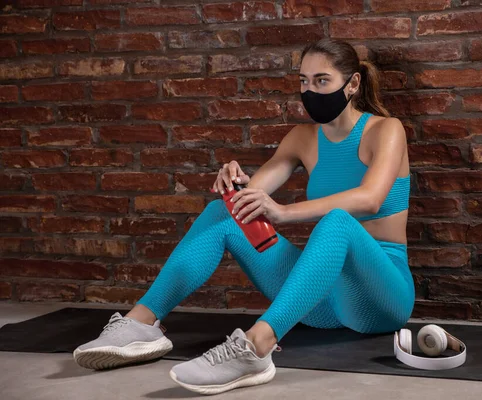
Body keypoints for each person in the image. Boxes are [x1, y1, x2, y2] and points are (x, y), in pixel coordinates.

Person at [73, 38, 414, 395]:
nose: (310, 90)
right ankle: (142, 324)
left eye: (322, 80)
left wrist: (283, 212)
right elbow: (255, 195)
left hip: (380, 298)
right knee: (226, 211)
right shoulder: (302, 137)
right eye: (303, 81)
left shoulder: (385, 130)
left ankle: (256, 346)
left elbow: (370, 199)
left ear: (353, 84)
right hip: (321, 304)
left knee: (338, 221)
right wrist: (235, 185)